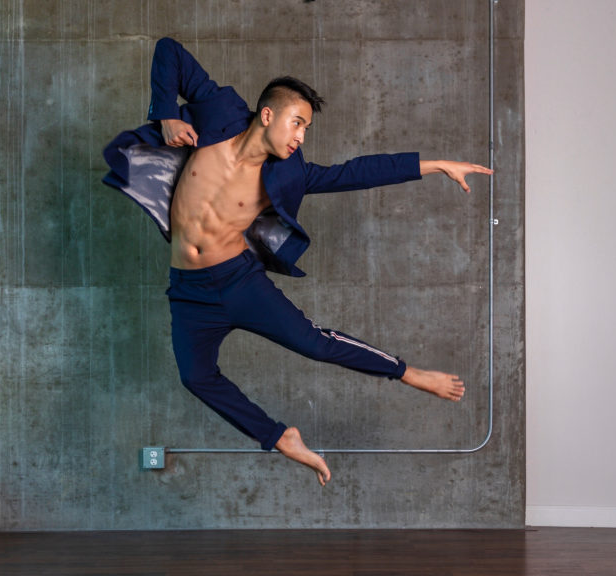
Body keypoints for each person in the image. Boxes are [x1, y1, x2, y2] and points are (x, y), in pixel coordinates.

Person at [103, 37, 492, 486]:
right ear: (268, 115)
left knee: (314, 343)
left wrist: (437, 163)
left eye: (306, 129)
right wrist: (166, 110)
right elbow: (169, 49)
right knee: (196, 377)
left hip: (238, 282)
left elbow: (358, 172)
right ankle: (280, 436)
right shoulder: (217, 112)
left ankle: (407, 372)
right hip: (189, 292)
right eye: (297, 124)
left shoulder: (290, 173)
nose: (300, 137)